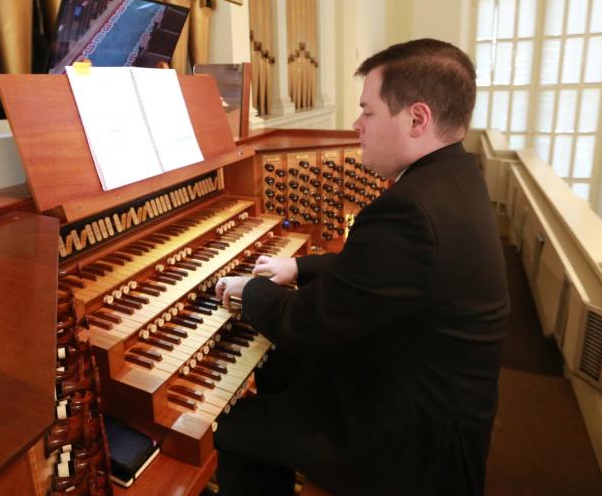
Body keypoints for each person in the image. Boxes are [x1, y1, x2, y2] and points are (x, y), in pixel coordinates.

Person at [213, 39, 510, 495]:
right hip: (438, 403)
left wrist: (246, 291)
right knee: (278, 371)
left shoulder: (409, 210)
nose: (356, 126)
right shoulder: (454, 177)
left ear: (417, 119)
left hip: (411, 441)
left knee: (232, 428)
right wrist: (300, 269)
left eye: (368, 112)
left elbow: (303, 323)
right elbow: (379, 271)